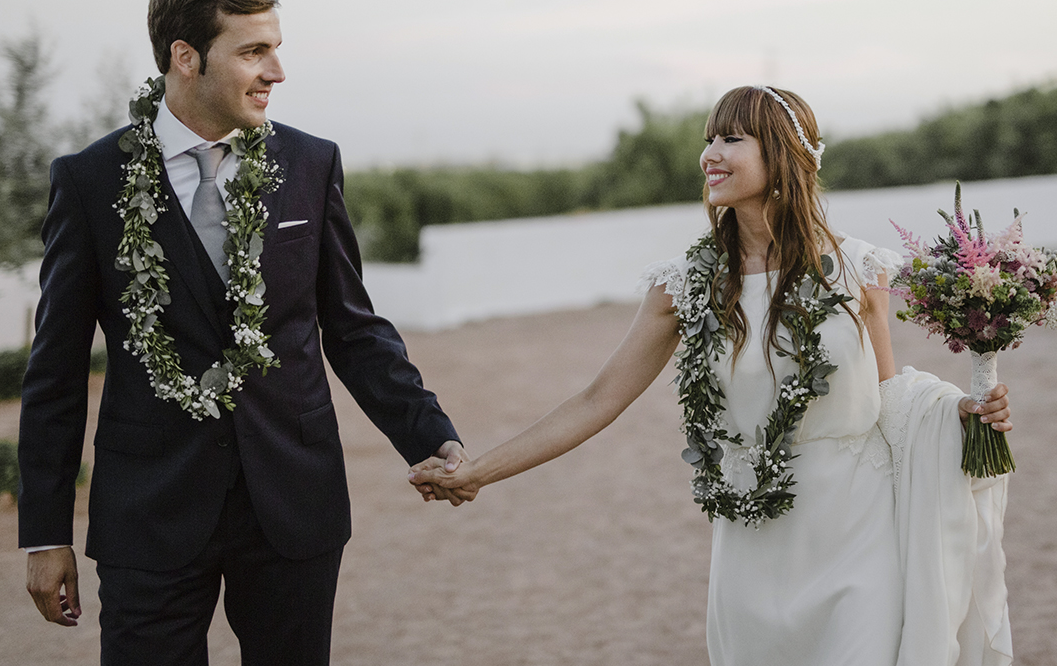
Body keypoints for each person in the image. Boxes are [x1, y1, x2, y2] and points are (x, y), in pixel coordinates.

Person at [410, 85, 1015, 665]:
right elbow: (597, 399)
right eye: (710, 139)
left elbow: (889, 400)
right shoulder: (683, 286)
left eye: (732, 139)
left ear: (782, 157)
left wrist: (959, 412)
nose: (711, 154)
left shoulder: (857, 270)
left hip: (857, 534)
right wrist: (481, 470)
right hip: (752, 543)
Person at [18, 0, 467, 666]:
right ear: (185, 57)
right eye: (254, 51)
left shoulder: (312, 164)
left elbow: (350, 325)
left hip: (294, 497)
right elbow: (55, 370)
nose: (276, 71)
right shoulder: (89, 181)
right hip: (149, 508)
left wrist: (430, 434)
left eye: (275, 47)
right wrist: (44, 533)